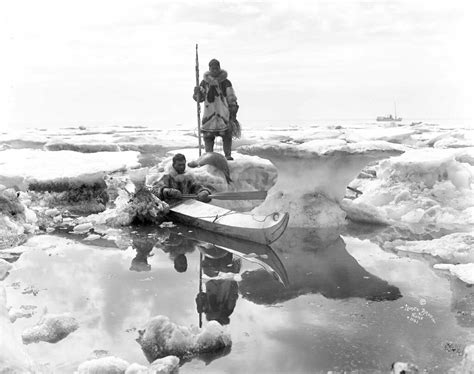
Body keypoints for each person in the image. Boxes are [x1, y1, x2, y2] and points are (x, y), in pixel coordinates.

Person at [193, 58, 240, 161]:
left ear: (219, 68)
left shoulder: (226, 82)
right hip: (209, 114)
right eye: (212, 68)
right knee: (208, 136)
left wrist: (233, 109)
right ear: (209, 69)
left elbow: (231, 97)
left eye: (216, 68)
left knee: (227, 134)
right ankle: (208, 156)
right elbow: (199, 99)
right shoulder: (204, 83)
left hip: (223, 113)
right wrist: (197, 92)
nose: (214, 70)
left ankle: (227, 155)